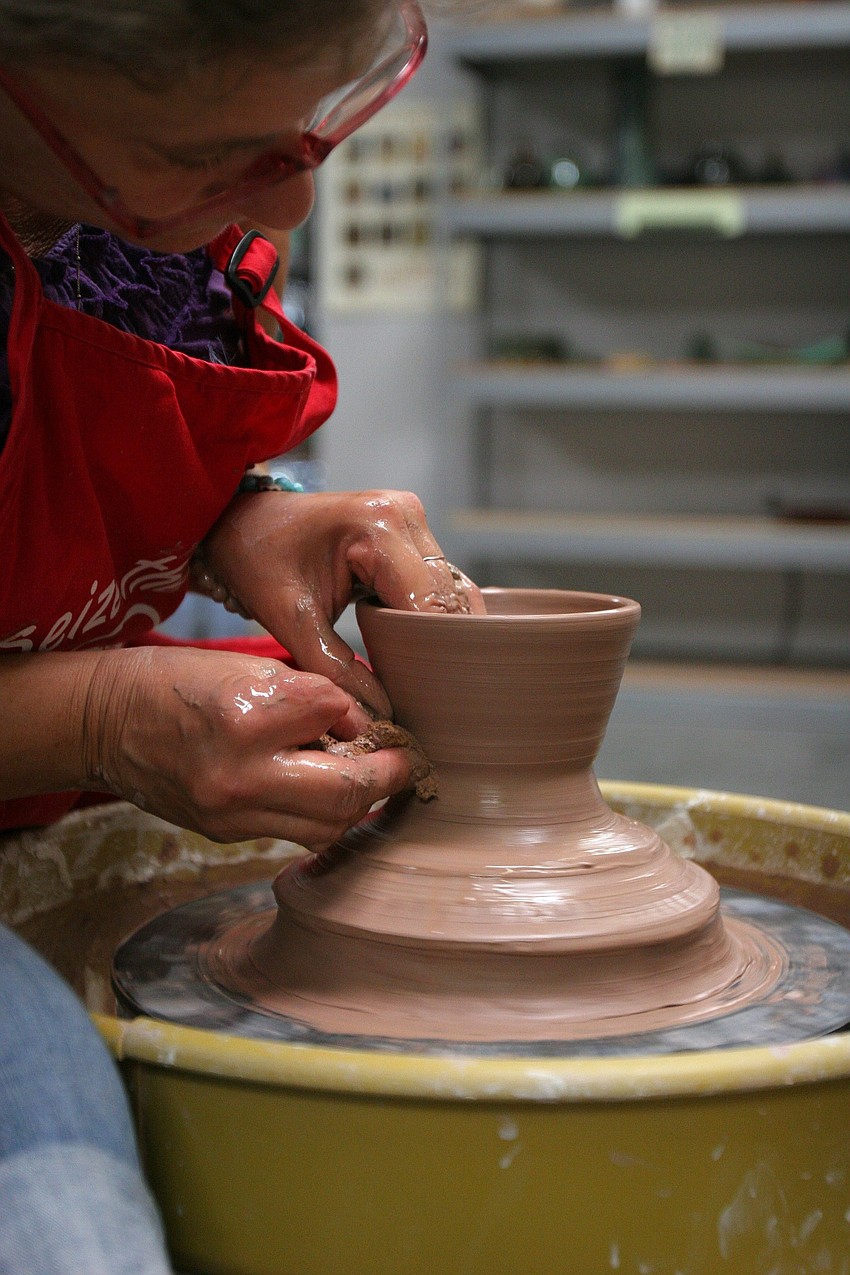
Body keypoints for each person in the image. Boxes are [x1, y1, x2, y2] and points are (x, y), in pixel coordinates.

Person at [0, 1, 481, 1270]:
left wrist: (232, 521)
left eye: (308, 131)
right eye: (202, 156)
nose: (285, 214)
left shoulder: (115, 227)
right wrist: (96, 717)